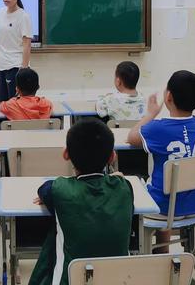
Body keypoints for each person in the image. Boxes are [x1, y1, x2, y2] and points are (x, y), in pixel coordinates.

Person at [29, 118, 134, 285]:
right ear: (112, 157)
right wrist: (116, 177)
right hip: (119, 280)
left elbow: (44, 189)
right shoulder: (124, 188)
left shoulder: (59, 189)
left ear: (66, 154)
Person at [127, 70, 195, 251]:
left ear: (168, 96)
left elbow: (131, 137)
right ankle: (168, 250)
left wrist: (152, 113)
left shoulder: (158, 128)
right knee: (170, 187)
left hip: (163, 207)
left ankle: (150, 250)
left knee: (137, 183)